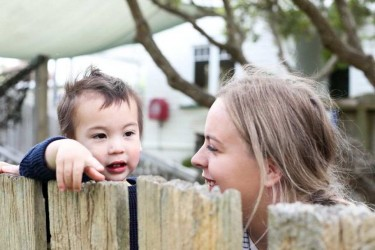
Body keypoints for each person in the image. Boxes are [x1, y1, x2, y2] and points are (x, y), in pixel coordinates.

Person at [191, 66, 354, 250]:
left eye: (213, 147)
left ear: (271, 169)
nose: (196, 159)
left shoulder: (347, 242)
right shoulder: (208, 236)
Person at [1, 66, 143, 250]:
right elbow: (34, 164)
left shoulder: (148, 193)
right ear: (74, 141)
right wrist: (62, 148)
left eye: (128, 133)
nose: (117, 148)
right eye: (100, 136)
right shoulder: (72, 181)